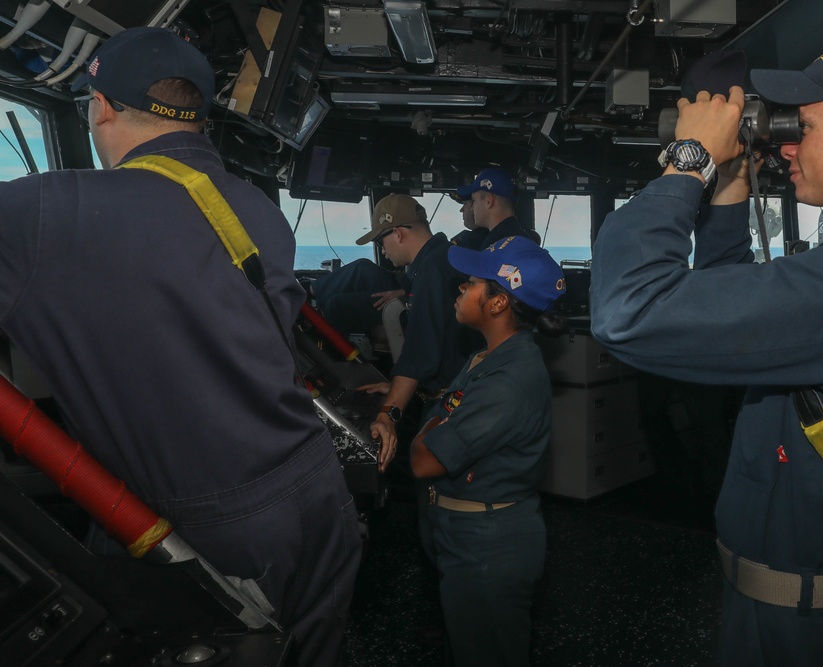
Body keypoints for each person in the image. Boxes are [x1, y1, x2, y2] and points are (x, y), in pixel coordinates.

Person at [0, 27, 361, 665]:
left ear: (100, 106)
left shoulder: (48, 213)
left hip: (213, 525)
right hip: (315, 490)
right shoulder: (253, 205)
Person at [590, 34, 823, 666]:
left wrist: (690, 159)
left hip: (815, 636)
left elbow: (629, 310)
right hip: (787, 612)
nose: (784, 146)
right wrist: (729, 186)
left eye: (802, 126)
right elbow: (737, 313)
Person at [410, 235, 566, 666]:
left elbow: (424, 459)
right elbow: (447, 412)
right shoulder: (488, 357)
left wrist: (433, 422)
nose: (461, 288)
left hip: (488, 548)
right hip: (463, 533)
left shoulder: (508, 382)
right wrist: (441, 419)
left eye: (472, 282)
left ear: (498, 304)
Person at [357, 193, 478, 470]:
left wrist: (388, 414)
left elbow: (420, 354)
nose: (383, 250)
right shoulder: (439, 259)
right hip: (457, 394)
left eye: (380, 241)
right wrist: (397, 388)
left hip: (451, 406)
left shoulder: (432, 270)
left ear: (398, 233)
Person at [455, 167, 542, 249]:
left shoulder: (497, 245)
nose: (472, 208)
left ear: (489, 201)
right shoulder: (517, 239)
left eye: (474, 201)